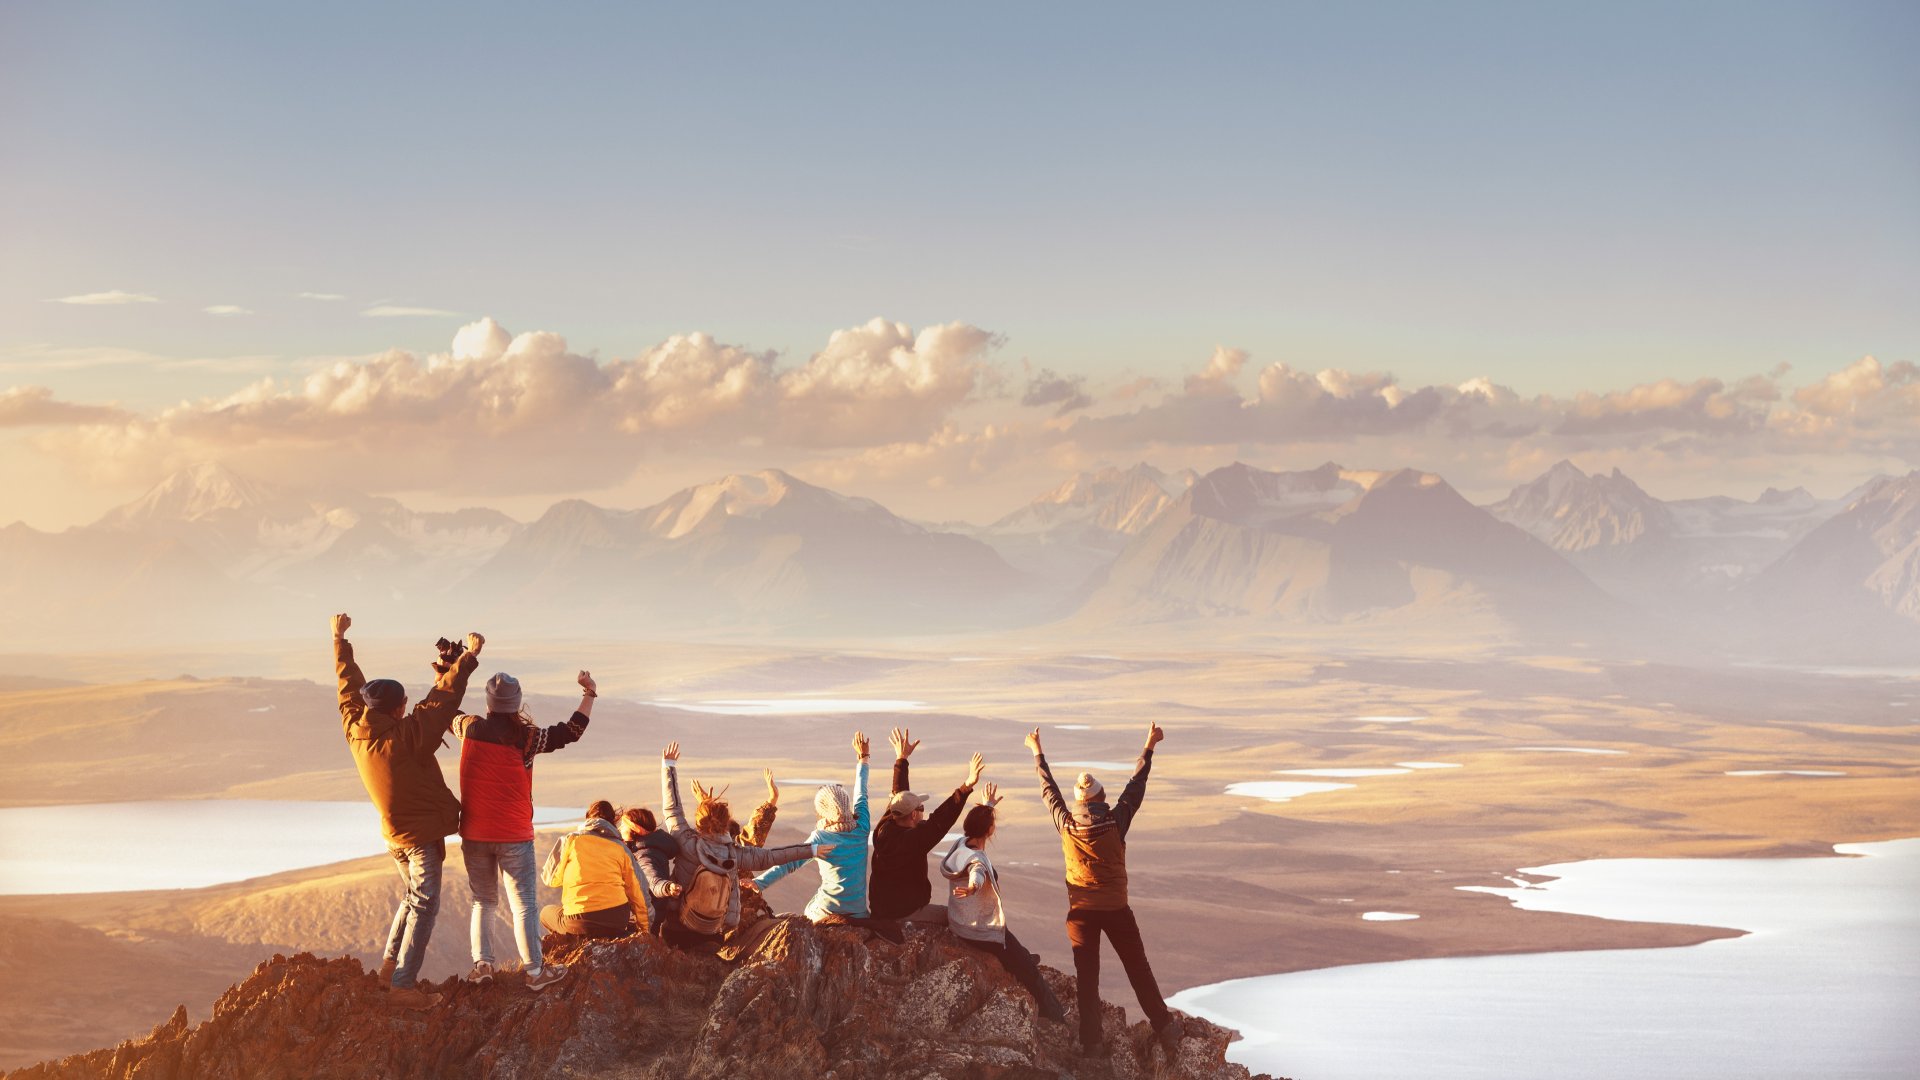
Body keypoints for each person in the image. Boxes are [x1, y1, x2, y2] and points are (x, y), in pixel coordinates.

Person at [331, 612, 480, 1010]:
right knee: (425, 905)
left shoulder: (355, 729)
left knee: (412, 899)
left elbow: (349, 688)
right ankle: (402, 985)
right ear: (398, 710)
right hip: (417, 838)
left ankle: (387, 970)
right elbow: (439, 705)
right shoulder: (403, 739)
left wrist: (340, 640)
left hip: (392, 836)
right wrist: (465, 660)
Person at [1028, 723, 1182, 1058]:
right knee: (1138, 970)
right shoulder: (1116, 822)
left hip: (1080, 915)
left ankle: (1092, 1045)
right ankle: (1166, 1029)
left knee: (1087, 979)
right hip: (1116, 910)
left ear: (1080, 801)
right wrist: (1149, 745)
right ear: (1099, 799)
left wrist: (1037, 751)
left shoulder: (1066, 825)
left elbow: (1048, 791)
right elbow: (1135, 786)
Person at [452, 668, 597, 991]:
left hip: (475, 832)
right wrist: (588, 694)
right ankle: (534, 972)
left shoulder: (469, 728)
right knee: (523, 906)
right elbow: (571, 731)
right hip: (514, 834)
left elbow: (448, 711)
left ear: (489, 702)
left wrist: (447, 672)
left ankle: (482, 966)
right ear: (516, 703)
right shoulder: (527, 738)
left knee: (483, 901)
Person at [659, 742, 830, 952]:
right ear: (727, 825)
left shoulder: (687, 843)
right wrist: (811, 850)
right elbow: (773, 857)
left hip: (677, 930)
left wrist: (669, 766)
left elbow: (672, 810)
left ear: (699, 822)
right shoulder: (735, 853)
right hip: (712, 934)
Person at [753, 731, 899, 941]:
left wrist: (759, 884)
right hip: (858, 912)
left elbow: (789, 864)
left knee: (805, 913)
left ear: (823, 811)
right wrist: (863, 759)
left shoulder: (821, 838)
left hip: (828, 910)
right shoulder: (862, 827)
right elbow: (861, 793)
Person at [940, 785, 1067, 1021]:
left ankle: (1023, 956)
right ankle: (1054, 1013)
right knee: (1027, 969)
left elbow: (976, 830)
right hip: (979, 929)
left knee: (1018, 949)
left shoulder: (960, 844)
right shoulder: (976, 859)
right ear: (990, 830)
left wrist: (987, 806)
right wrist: (972, 887)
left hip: (960, 921)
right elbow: (977, 873)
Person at [869, 727, 983, 923]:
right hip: (905, 912)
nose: (924, 811)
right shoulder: (913, 841)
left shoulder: (885, 826)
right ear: (913, 814)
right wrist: (966, 787)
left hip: (881, 909)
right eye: (921, 808)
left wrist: (901, 759)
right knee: (961, 918)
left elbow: (900, 795)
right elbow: (941, 819)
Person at [539, 801, 647, 939]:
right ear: (613, 821)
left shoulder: (570, 840)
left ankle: (573, 942)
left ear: (588, 818)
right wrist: (644, 929)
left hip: (579, 919)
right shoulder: (621, 848)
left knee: (545, 914)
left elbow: (551, 879)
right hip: (617, 920)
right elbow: (637, 891)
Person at [617, 806, 678, 934]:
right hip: (654, 917)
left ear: (635, 830)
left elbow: (652, 879)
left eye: (624, 825)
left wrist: (667, 887)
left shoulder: (645, 855)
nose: (620, 828)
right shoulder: (647, 848)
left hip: (646, 920)